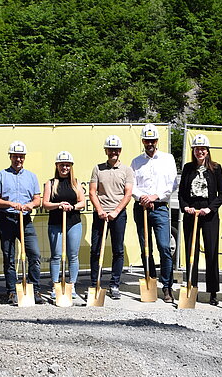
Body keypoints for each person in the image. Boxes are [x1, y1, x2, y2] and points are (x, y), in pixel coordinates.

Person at [131, 124, 178, 303]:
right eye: (146, 140)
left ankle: (167, 287)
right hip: (141, 208)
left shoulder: (168, 159)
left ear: (157, 141)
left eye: (152, 140)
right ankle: (150, 282)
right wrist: (142, 197)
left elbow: (172, 184)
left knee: (165, 247)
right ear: (143, 141)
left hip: (159, 207)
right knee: (146, 248)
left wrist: (155, 196)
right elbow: (132, 185)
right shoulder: (136, 161)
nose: (150, 143)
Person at [0, 140, 43, 303]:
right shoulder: (1, 175)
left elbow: (37, 200)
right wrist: (10, 204)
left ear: (24, 157)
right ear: (10, 157)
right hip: (6, 219)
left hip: (25, 220)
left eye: (21, 157)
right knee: (9, 256)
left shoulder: (31, 176)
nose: (18, 159)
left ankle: (34, 289)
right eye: (15, 156)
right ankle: (12, 291)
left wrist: (30, 205)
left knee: (34, 254)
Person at [178, 134, 222, 306]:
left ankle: (213, 292)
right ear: (193, 150)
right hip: (191, 213)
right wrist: (185, 207)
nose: (200, 152)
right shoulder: (187, 168)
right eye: (197, 149)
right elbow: (181, 194)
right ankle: (192, 288)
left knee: (212, 252)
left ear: (207, 151)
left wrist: (210, 208)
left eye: (203, 149)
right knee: (192, 252)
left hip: (209, 214)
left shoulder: (215, 168)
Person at [88, 135, 134, 299]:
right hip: (100, 214)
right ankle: (95, 284)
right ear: (106, 150)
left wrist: (116, 211)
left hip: (118, 215)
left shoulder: (127, 170)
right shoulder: (98, 169)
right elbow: (92, 192)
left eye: (116, 149)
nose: (113, 152)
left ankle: (114, 284)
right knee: (96, 249)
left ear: (119, 151)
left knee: (118, 250)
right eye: (110, 149)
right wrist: (100, 210)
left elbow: (127, 194)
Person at [42, 151, 86, 302]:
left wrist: (72, 207)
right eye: (62, 165)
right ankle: (55, 286)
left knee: (72, 256)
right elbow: (45, 204)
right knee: (56, 256)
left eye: (67, 165)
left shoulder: (76, 183)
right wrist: (59, 205)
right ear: (57, 166)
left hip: (73, 223)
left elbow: (82, 202)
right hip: (55, 224)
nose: (64, 168)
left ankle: (71, 285)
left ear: (71, 166)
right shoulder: (50, 183)